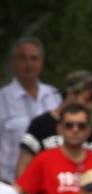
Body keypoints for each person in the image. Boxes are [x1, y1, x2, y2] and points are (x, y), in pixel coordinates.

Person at [17, 69, 92, 176]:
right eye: (89, 97)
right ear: (71, 94)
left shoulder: (86, 128)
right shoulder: (40, 124)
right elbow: (24, 165)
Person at [0, 38, 56, 183]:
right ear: (14, 62)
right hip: (10, 183)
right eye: (23, 58)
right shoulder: (2, 99)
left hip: (49, 183)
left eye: (34, 59)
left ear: (41, 63)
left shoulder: (54, 97)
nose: (29, 64)